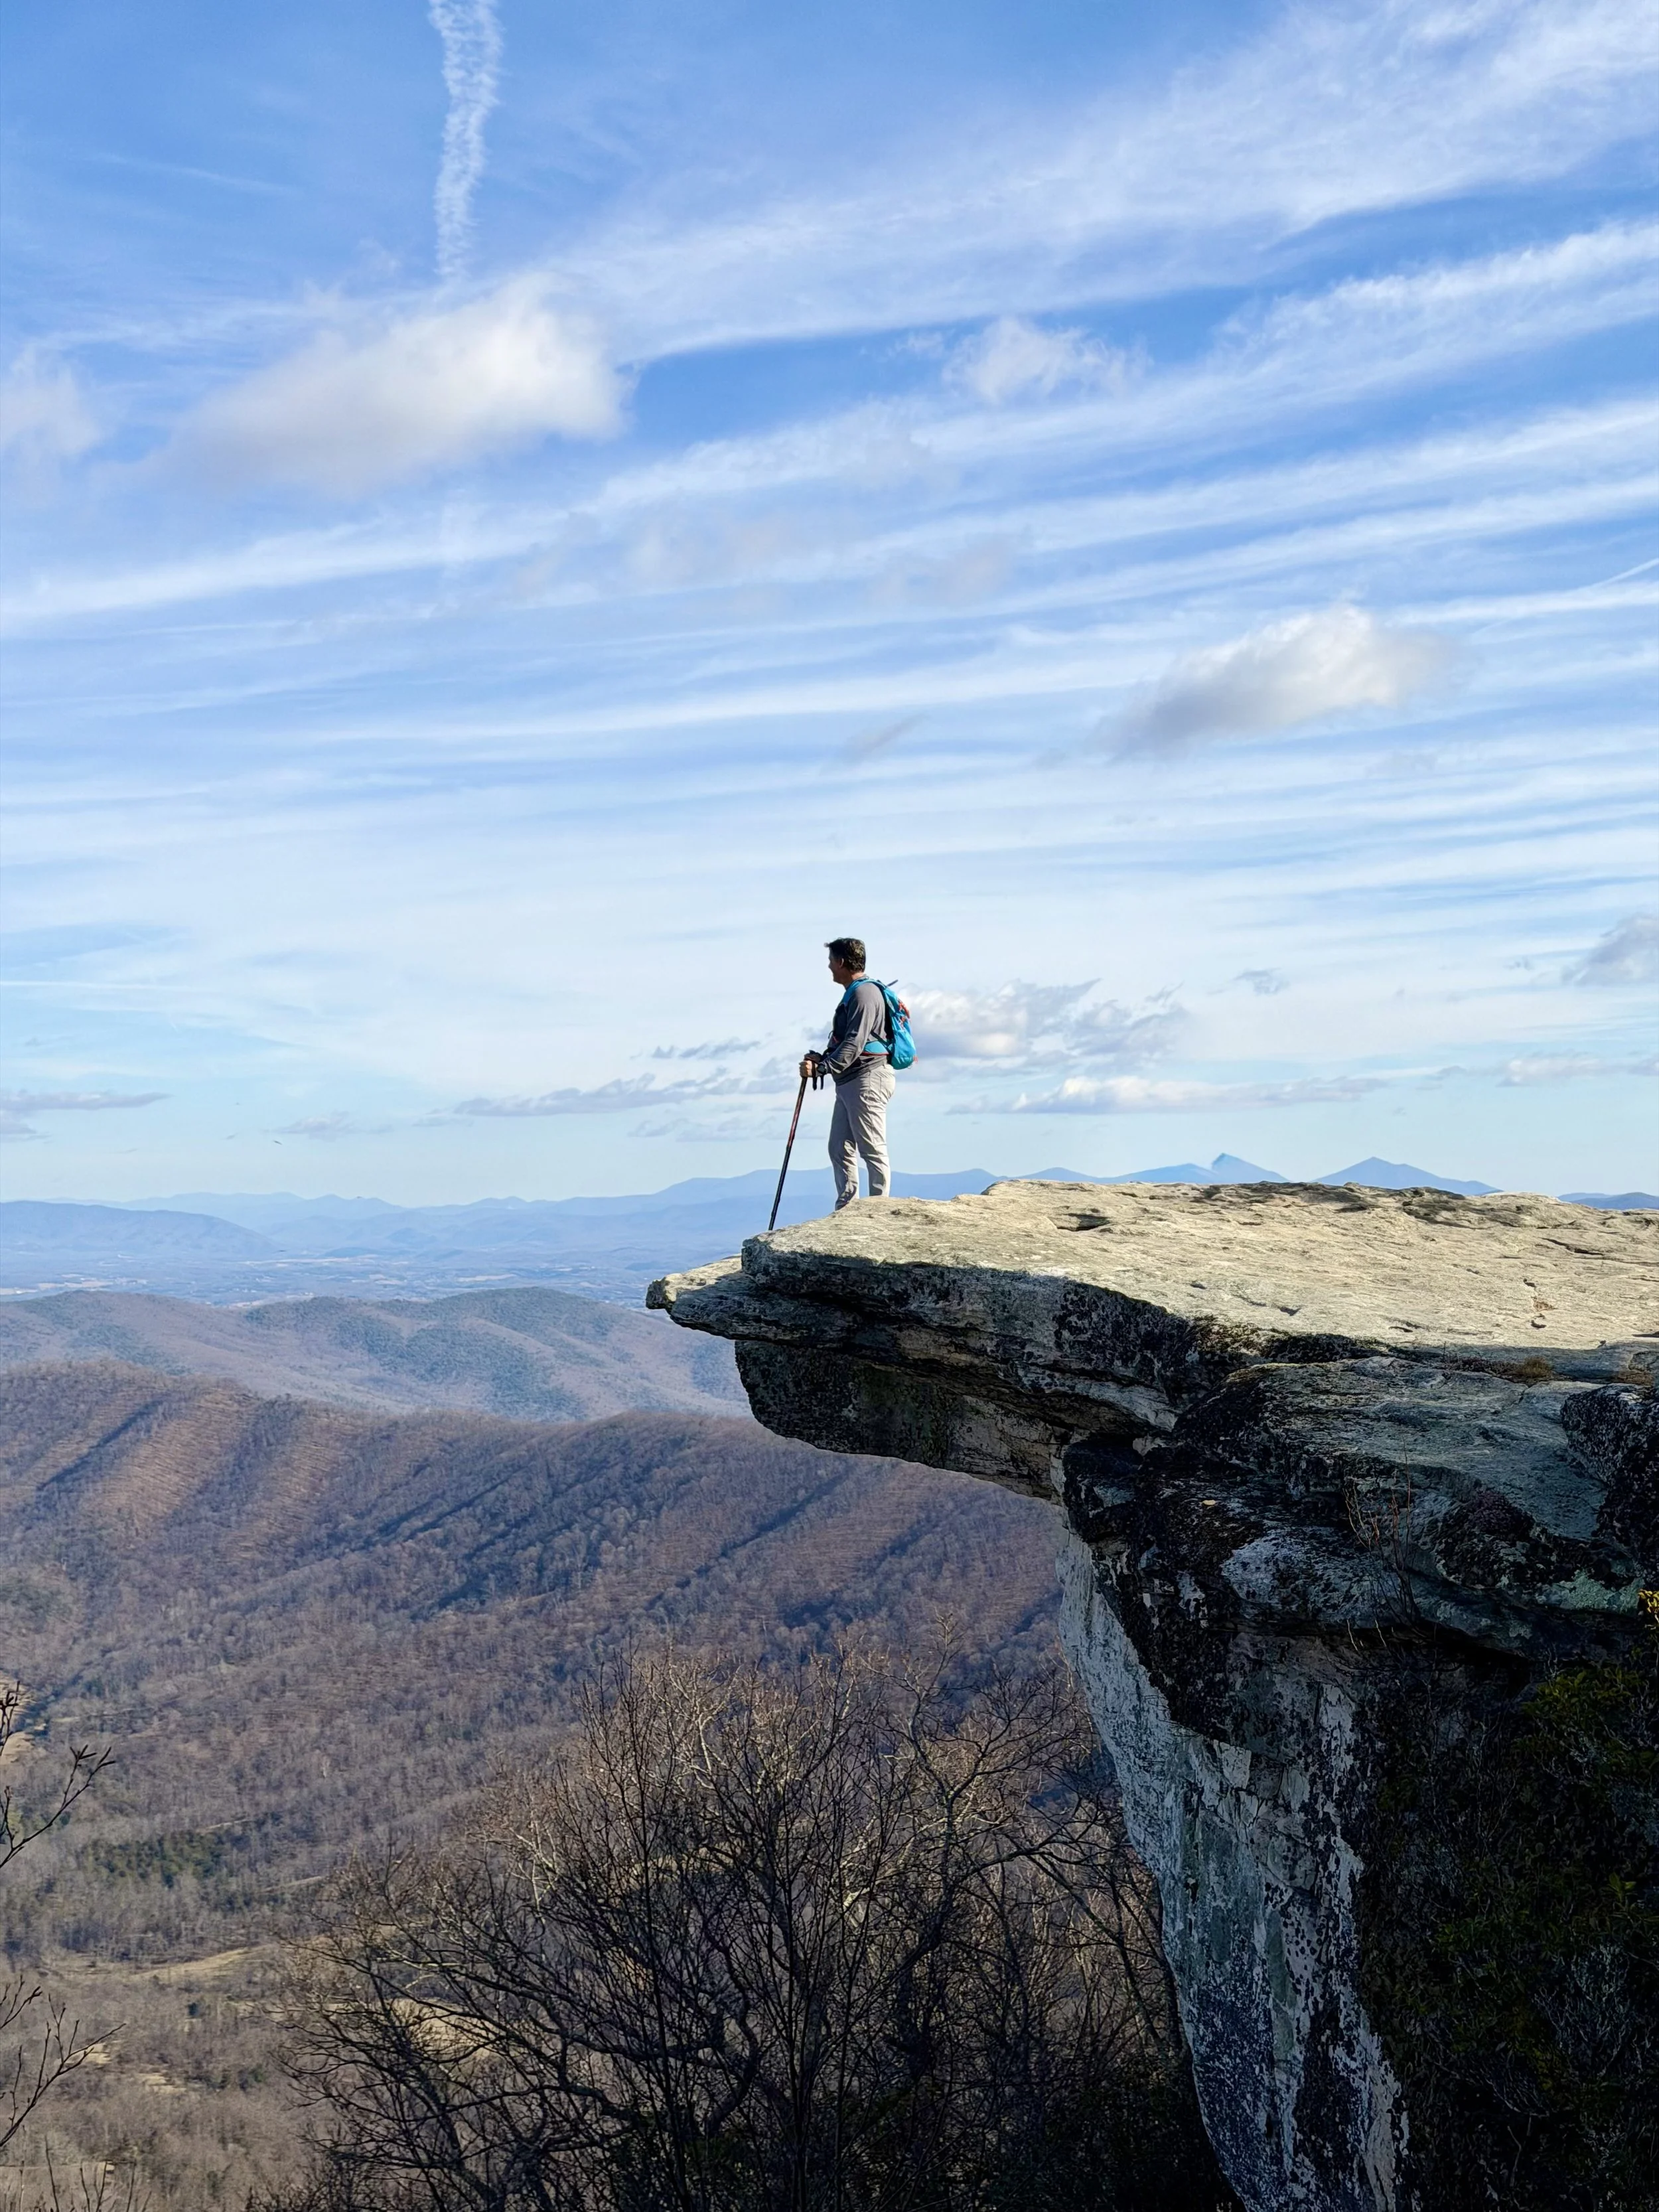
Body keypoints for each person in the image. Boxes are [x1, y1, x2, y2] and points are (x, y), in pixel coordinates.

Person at [800, 938, 897, 1209]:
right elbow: (850, 1042)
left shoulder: (864, 994)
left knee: (871, 1147)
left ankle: (878, 1210)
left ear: (841, 962)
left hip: (867, 1079)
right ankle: (848, 1211)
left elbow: (855, 1042)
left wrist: (822, 1068)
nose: (829, 966)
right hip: (852, 1080)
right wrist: (823, 1059)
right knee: (839, 1147)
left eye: (831, 960)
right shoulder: (857, 993)